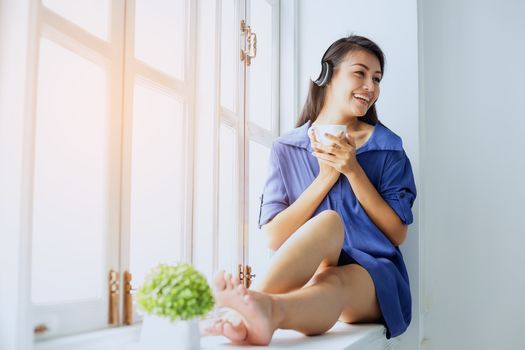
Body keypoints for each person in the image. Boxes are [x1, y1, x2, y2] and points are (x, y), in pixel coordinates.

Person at [204, 35, 417, 345]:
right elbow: (275, 237)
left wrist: (352, 170)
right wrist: (325, 178)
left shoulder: (388, 147)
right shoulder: (286, 148)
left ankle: (246, 313)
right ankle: (256, 314)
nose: (370, 86)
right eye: (360, 73)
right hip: (311, 274)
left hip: (373, 277)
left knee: (333, 279)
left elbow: (397, 234)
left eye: (377, 78)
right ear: (327, 76)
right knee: (328, 223)